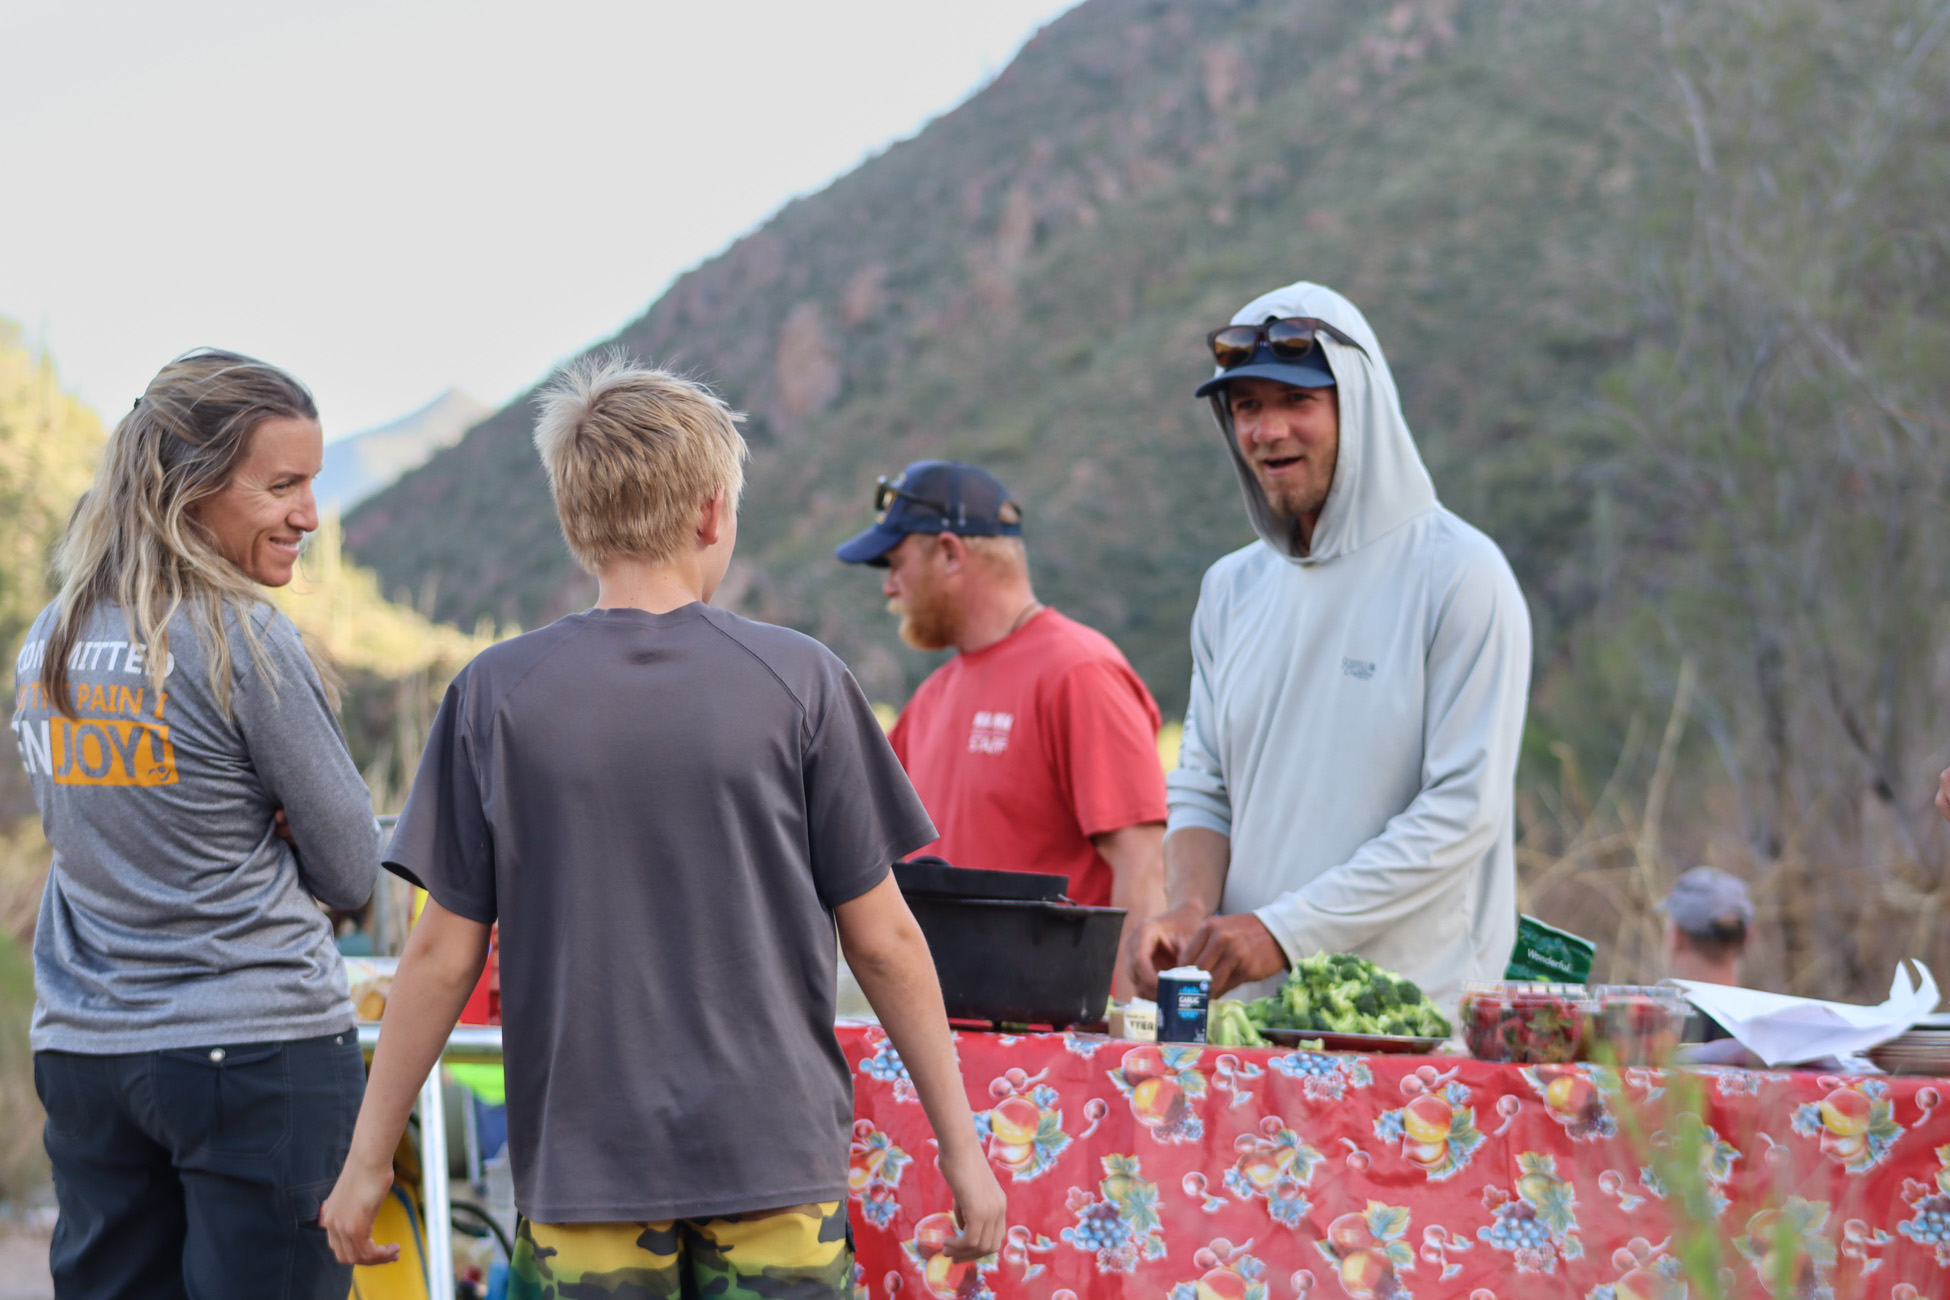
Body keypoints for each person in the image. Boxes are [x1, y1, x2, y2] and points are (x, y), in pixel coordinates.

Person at [321, 360, 1005, 1295]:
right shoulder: (802, 682)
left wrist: (367, 1162)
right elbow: (883, 940)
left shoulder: (496, 695)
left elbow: (441, 955)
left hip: (583, 1172)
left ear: (575, 521)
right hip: (775, 1163)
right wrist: (960, 1150)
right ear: (713, 512)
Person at [10, 350, 380, 1298]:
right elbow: (351, 873)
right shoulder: (239, 637)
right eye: (282, 485)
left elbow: (97, 836)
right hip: (257, 1053)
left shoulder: (46, 642)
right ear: (190, 489)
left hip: (89, 1053)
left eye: (313, 484)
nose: (307, 514)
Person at [1130, 281, 1532, 1012]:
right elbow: (1204, 788)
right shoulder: (1231, 589)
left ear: (1361, 407)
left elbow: (1461, 811)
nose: (1267, 430)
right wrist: (1190, 910)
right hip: (1245, 1022)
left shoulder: (1459, 574)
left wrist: (1284, 931)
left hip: (1409, 1028)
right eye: (1247, 406)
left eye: (1297, 402)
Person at [836, 459, 1168, 1000]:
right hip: (948, 1035)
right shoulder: (932, 698)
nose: (889, 588)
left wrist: (1119, 1042)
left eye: (894, 563)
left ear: (949, 552)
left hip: (1052, 1039)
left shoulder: (1078, 671)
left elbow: (1142, 866)